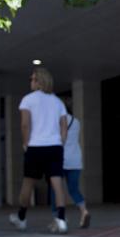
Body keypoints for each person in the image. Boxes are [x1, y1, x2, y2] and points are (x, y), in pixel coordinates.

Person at [9, 67, 69, 233]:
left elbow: (25, 124)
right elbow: (64, 126)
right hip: (55, 146)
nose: (31, 81)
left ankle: (21, 218)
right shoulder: (58, 102)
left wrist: (26, 143)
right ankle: (61, 218)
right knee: (57, 182)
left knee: (28, 182)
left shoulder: (28, 100)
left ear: (39, 81)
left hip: (35, 147)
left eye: (33, 78)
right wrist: (61, 142)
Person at [47, 96, 90, 228]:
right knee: (73, 189)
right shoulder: (76, 121)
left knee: (55, 189)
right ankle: (84, 211)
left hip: (60, 159)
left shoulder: (57, 121)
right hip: (76, 159)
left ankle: (59, 217)